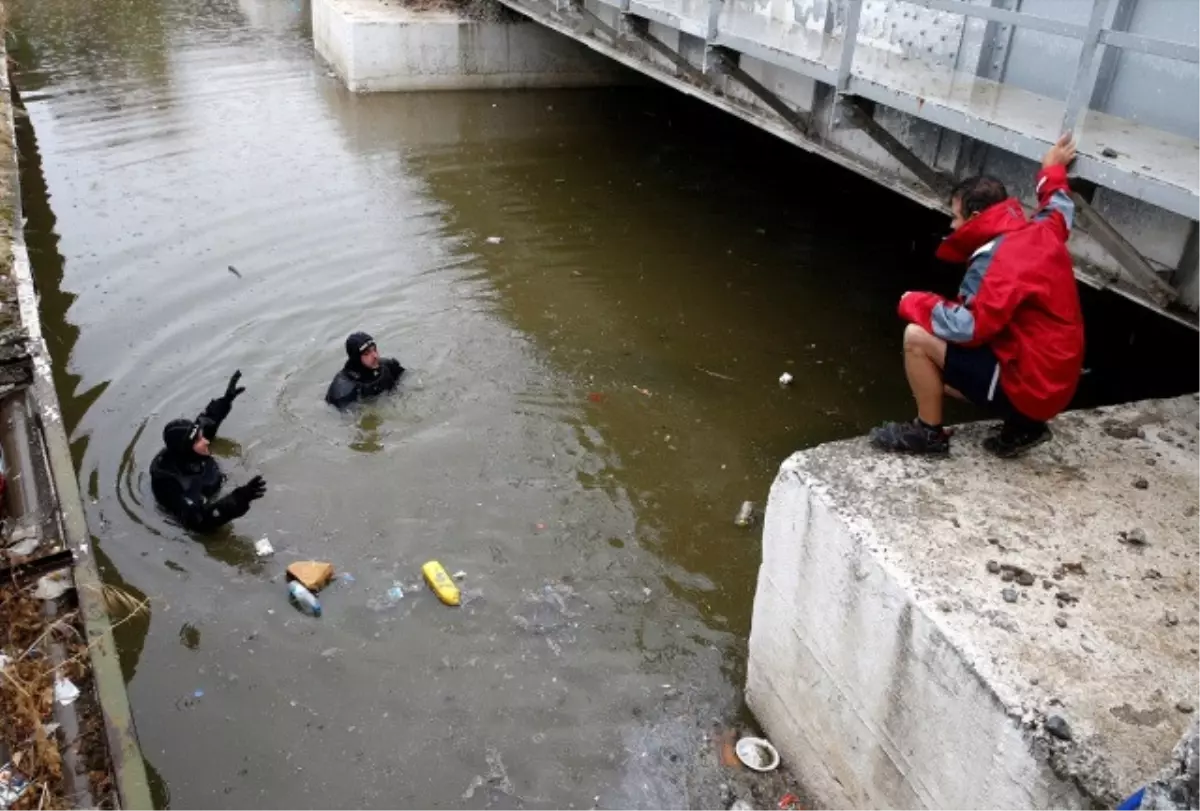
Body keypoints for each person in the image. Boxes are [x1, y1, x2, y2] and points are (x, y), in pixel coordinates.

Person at [870, 133, 1085, 458]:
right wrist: (1052, 170)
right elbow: (1059, 207)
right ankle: (1024, 427)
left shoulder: (996, 259)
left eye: (955, 216)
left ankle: (928, 435)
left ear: (974, 217)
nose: (952, 224)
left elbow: (968, 328)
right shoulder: (1039, 231)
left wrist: (913, 301)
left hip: (1032, 389)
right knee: (952, 357)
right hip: (1053, 385)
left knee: (917, 340)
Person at [150, 371, 267, 532]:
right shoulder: (170, 485)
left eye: (200, 436)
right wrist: (237, 499)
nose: (205, 440)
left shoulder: (189, 447)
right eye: (198, 440)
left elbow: (207, 421)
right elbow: (199, 523)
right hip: (199, 503)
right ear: (186, 450)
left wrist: (226, 400)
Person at [325, 331, 405, 409]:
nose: (375, 356)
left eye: (374, 350)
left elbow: (406, 378)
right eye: (367, 353)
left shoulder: (387, 366)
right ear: (356, 358)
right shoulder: (343, 390)